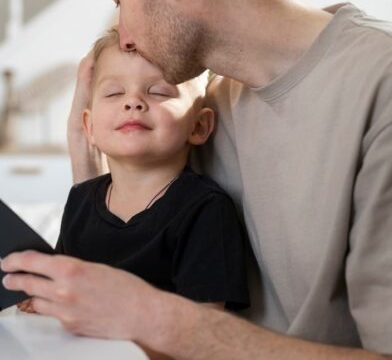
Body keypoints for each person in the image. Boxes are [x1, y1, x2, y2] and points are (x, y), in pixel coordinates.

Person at [0, 0, 392, 360]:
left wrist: (159, 319)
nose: (123, 36)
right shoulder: (210, 107)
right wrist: (89, 171)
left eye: (118, 0)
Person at [19, 27, 249, 315]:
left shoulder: (205, 209)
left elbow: (204, 328)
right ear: (89, 127)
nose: (133, 101)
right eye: (114, 93)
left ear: (199, 126)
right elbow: (65, 288)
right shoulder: (81, 199)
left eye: (158, 91)